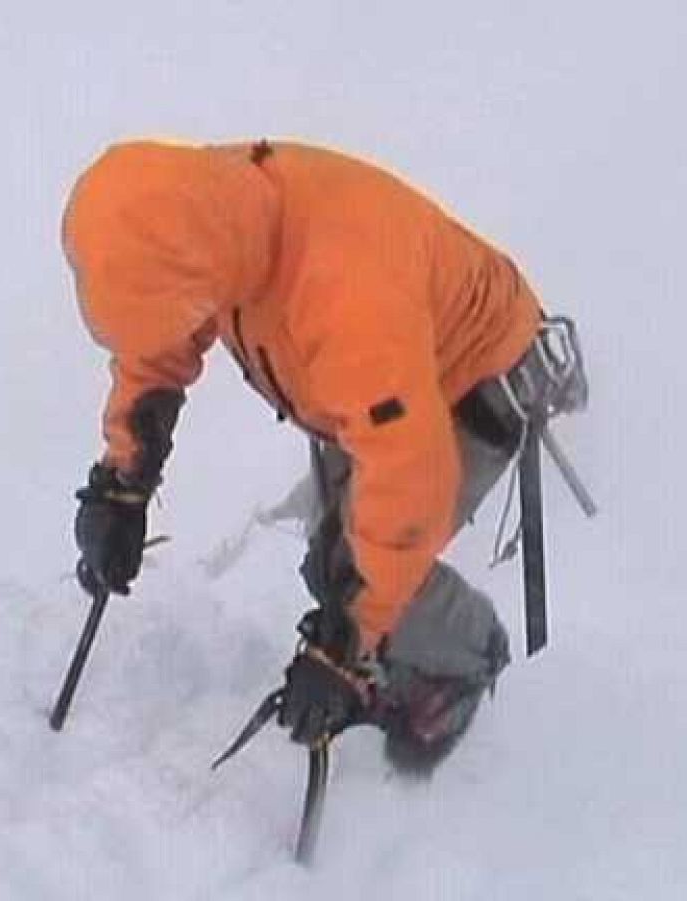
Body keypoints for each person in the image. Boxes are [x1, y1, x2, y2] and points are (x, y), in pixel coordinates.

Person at [62, 138, 584, 773]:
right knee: (338, 565)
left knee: (355, 572)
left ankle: (464, 655)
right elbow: (159, 342)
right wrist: (125, 478)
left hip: (470, 385)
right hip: (366, 396)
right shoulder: (207, 215)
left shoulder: (349, 293)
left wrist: (349, 641)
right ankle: (378, 633)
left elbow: (409, 472)